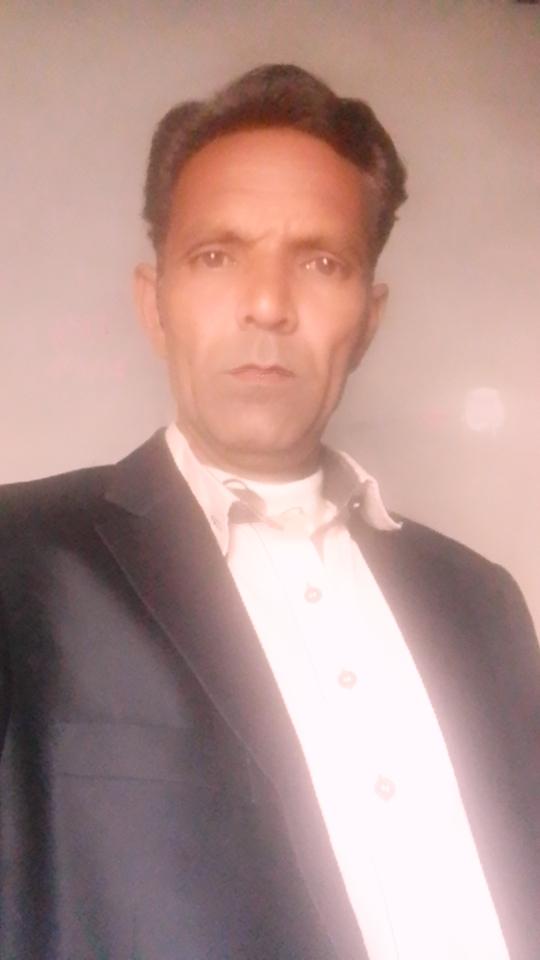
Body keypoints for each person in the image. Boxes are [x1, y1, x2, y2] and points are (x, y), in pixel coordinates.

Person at [0, 64, 538, 960]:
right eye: (217, 255)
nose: (267, 305)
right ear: (154, 304)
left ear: (368, 319)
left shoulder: (482, 601)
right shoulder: (19, 565)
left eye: (321, 262)